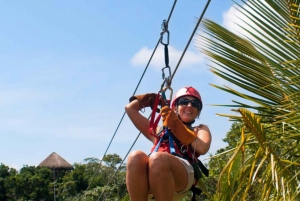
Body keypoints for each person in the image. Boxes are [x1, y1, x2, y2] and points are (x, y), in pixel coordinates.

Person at [125, 86, 212, 201]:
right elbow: (130, 109)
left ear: (198, 111)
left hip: (182, 176)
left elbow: (202, 147)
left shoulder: (199, 129)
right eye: (184, 102)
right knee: (135, 156)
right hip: (153, 175)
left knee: (158, 158)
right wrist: (147, 100)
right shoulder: (160, 131)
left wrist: (175, 124)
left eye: (194, 103)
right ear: (175, 107)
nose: (189, 105)